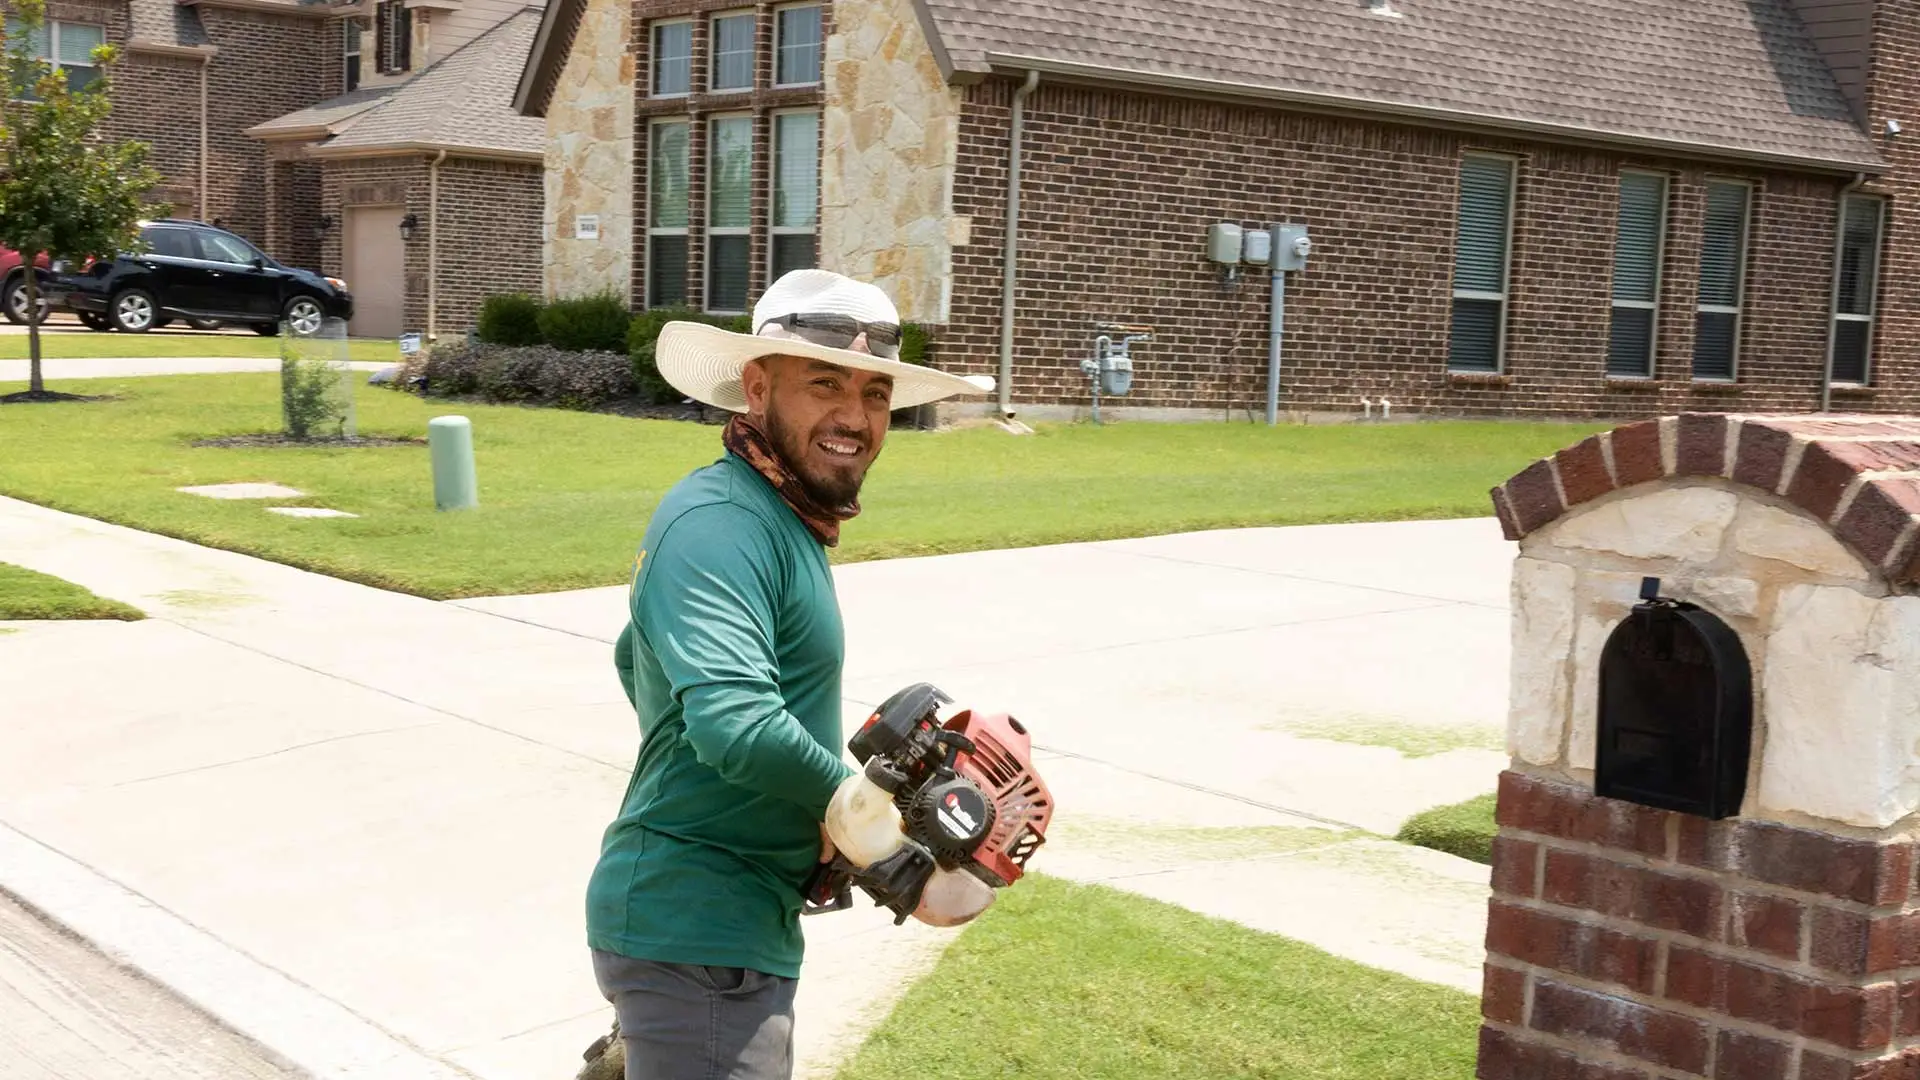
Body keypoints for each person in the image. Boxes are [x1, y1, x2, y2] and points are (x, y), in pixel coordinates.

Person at [585, 269, 992, 1080]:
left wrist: (817, 825)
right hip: (698, 929)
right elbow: (735, 724)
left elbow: (639, 663)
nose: (854, 417)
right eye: (825, 384)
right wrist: (886, 847)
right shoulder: (720, 524)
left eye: (876, 394)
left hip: (728, 923)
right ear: (756, 385)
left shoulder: (778, 518)